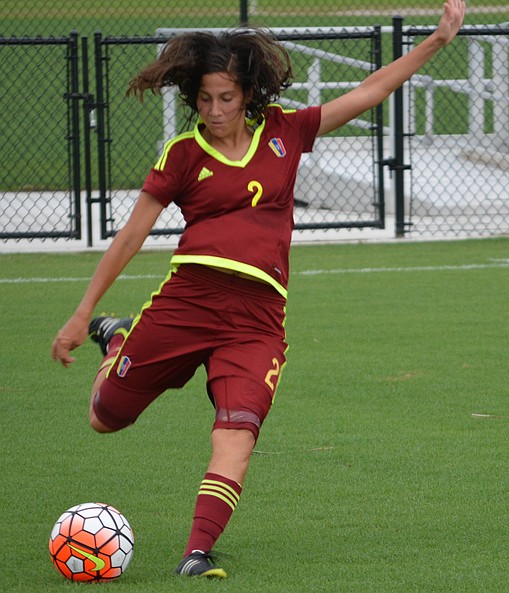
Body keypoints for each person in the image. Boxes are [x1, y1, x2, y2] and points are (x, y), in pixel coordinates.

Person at [51, 0, 465, 577]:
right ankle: (117, 342)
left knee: (238, 430)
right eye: (205, 99)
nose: (216, 110)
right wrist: (82, 312)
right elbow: (128, 238)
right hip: (188, 302)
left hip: (257, 319)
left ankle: (197, 552)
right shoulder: (182, 155)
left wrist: (436, 42)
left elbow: (369, 92)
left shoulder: (286, 132)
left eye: (227, 97)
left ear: (247, 93)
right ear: (192, 98)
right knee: (105, 418)